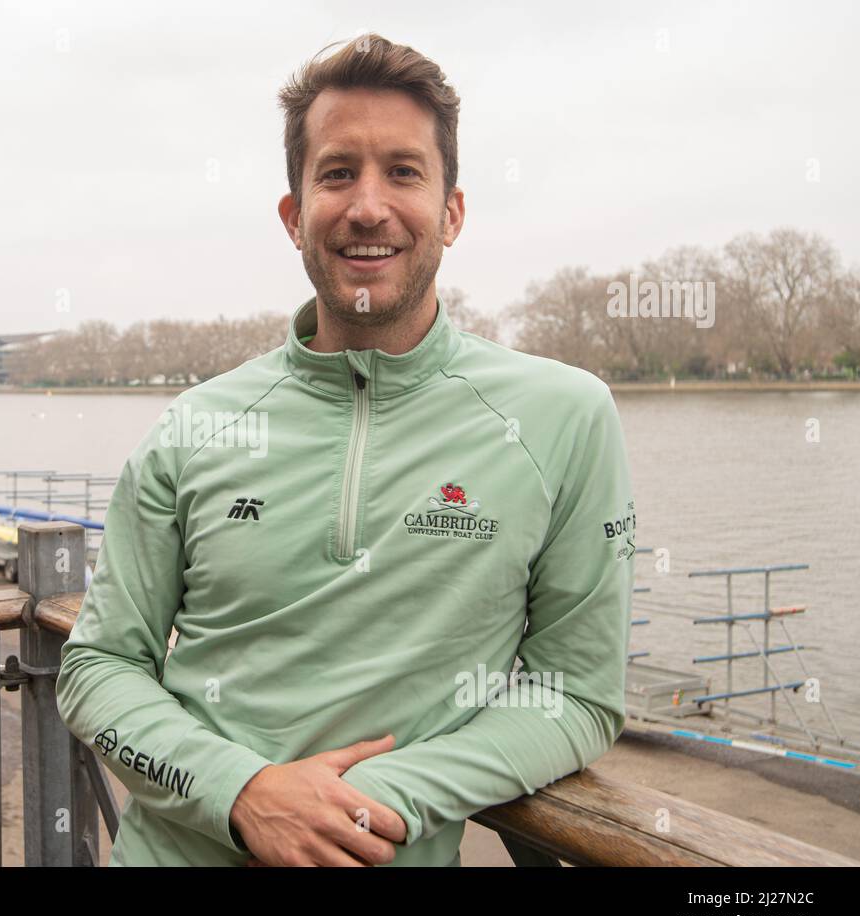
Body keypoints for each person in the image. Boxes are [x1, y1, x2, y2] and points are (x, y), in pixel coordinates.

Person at [55, 35, 635, 867]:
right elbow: (99, 667)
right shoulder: (194, 424)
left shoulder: (566, 417)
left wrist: (370, 803)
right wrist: (240, 791)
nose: (368, 207)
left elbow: (576, 694)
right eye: (336, 173)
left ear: (452, 212)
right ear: (294, 217)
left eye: (403, 172)